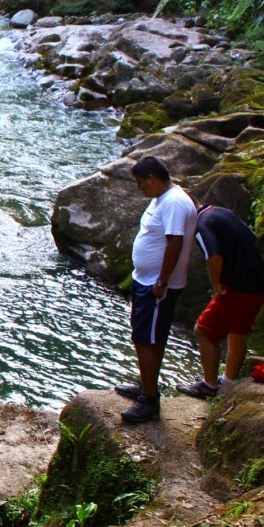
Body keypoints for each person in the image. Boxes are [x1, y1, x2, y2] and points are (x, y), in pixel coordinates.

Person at [114, 156, 197, 424]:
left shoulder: (173, 202)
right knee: (145, 336)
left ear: (152, 178)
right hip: (146, 280)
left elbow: (174, 243)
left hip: (156, 285)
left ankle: (149, 399)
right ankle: (145, 385)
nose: (140, 189)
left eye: (141, 184)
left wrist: (161, 281)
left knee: (147, 339)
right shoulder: (163, 198)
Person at [176, 204, 264, 399]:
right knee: (238, 333)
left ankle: (209, 385)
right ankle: (227, 383)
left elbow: (214, 256)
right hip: (259, 282)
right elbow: (251, 237)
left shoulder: (201, 224)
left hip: (239, 287)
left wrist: (216, 283)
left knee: (203, 330)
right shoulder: (221, 211)